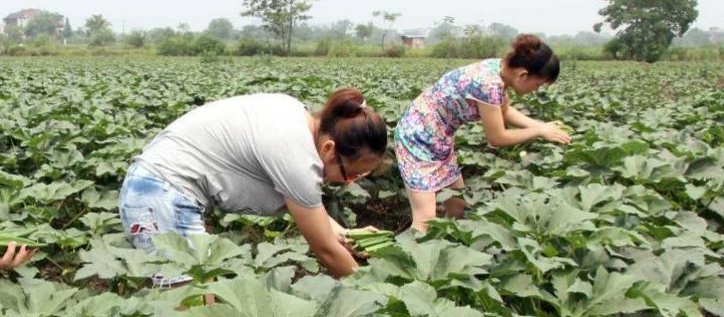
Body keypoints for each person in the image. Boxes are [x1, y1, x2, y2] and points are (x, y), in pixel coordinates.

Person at [118, 88, 387, 283]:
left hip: (154, 186)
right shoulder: (297, 158)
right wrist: (372, 290)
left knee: (197, 296)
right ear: (329, 150)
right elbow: (326, 250)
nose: (350, 183)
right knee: (194, 299)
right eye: (350, 175)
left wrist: (350, 238)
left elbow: (312, 210)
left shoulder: (294, 114)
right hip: (161, 195)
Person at [394, 34, 571, 232]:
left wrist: (541, 125)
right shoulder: (489, 84)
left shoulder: (499, 69)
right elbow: (497, 138)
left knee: (457, 204)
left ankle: (443, 249)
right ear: (522, 75)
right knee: (425, 220)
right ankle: (412, 258)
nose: (536, 90)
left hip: (439, 139)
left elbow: (504, 111)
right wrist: (538, 130)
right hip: (417, 139)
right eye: (538, 85)